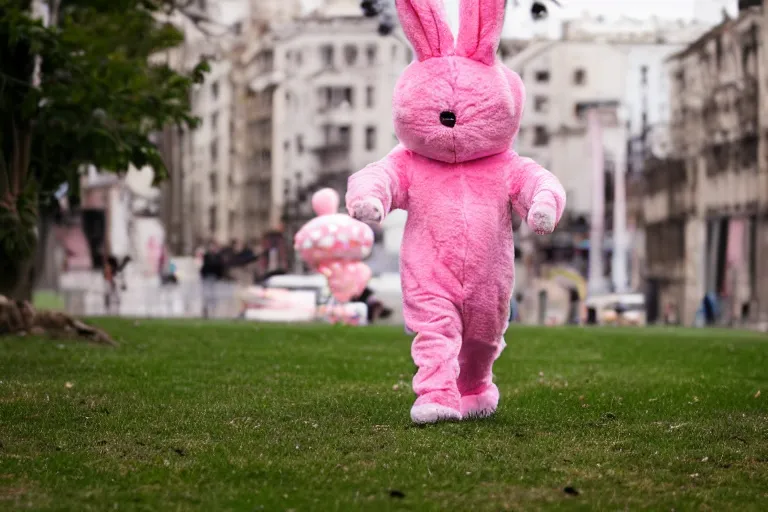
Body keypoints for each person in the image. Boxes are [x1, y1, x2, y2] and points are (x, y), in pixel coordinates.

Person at [200, 240, 224, 318]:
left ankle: (213, 311)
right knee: (207, 294)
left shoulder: (218, 257)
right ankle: (206, 309)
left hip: (214, 277)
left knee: (214, 295)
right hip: (207, 277)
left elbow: (220, 267)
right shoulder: (207, 256)